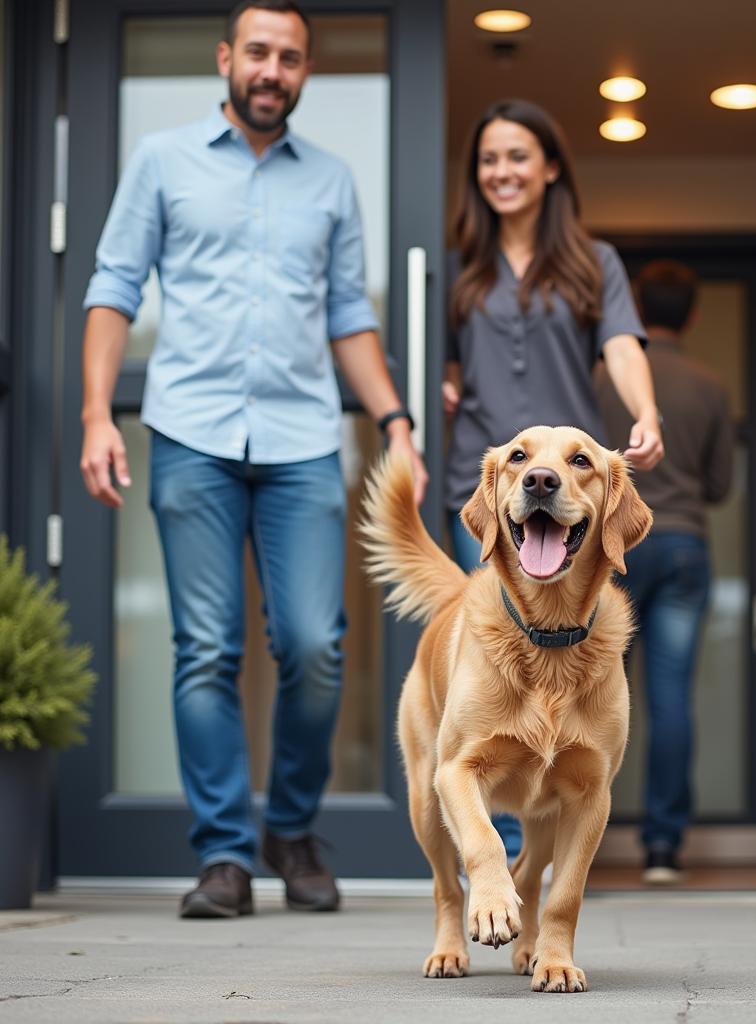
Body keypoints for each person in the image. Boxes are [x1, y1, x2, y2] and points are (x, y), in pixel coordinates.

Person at [79, 0, 427, 919]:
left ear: (306, 71)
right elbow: (114, 289)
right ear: (228, 58)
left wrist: (393, 418)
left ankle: (293, 826)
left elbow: (350, 314)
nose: (274, 70)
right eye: (260, 53)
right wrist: (95, 415)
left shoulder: (333, 181)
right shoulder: (162, 161)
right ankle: (225, 856)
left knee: (316, 646)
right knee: (207, 650)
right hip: (191, 432)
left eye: (292, 58)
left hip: (305, 439)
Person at [443, 99, 664, 857]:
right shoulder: (457, 269)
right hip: (483, 493)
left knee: (564, 687)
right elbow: (440, 363)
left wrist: (646, 412)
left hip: (566, 495)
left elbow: (624, 346)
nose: (501, 172)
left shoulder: (591, 262)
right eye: (488, 160)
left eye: (516, 157)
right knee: (492, 688)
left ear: (550, 167)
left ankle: (527, 870)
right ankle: (495, 862)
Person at [595, 260, 734, 885]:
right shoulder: (710, 385)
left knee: (589, 697)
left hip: (609, 549)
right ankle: (661, 849)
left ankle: (577, 841)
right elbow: (721, 485)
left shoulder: (598, 376)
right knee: (671, 697)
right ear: (693, 315)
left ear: (634, 310)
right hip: (682, 545)